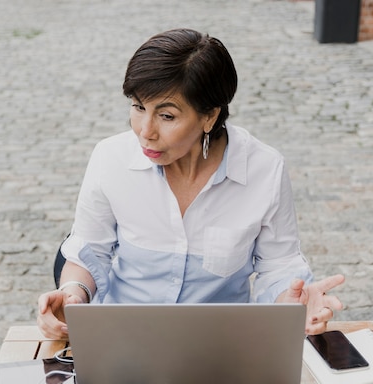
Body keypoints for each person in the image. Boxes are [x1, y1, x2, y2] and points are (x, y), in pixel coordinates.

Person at [37, 28, 344, 340]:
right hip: (121, 339)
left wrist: (294, 303)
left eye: (167, 116)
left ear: (209, 117)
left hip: (220, 344)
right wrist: (73, 294)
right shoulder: (110, 159)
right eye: (138, 107)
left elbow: (278, 267)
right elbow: (89, 251)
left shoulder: (265, 170)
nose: (145, 131)